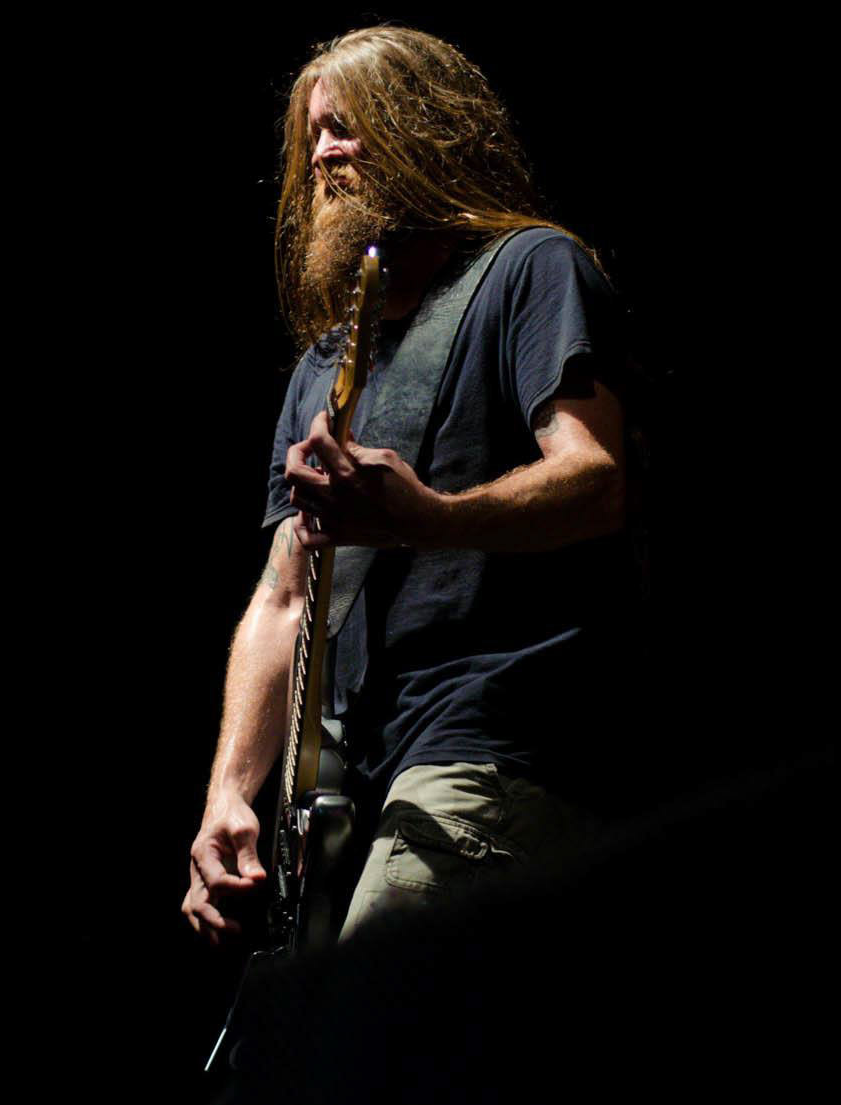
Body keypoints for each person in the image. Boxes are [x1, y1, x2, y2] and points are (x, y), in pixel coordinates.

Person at [182, 25, 637, 947]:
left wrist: (430, 517)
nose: (323, 155)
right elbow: (283, 596)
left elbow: (596, 479)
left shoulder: (529, 270)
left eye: (347, 127)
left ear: (424, 130)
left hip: (488, 743)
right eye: (312, 137)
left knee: (367, 1020)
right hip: (354, 789)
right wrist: (229, 792)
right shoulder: (323, 369)